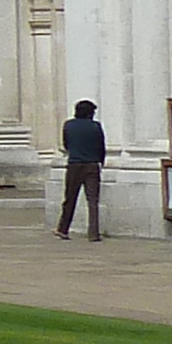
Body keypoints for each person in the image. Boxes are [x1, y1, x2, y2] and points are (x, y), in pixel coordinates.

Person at [56, 99, 109, 240]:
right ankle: (93, 233)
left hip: (74, 164)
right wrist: (100, 162)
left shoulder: (68, 125)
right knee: (92, 201)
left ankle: (63, 229)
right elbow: (101, 146)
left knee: (70, 198)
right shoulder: (96, 126)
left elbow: (66, 144)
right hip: (92, 165)